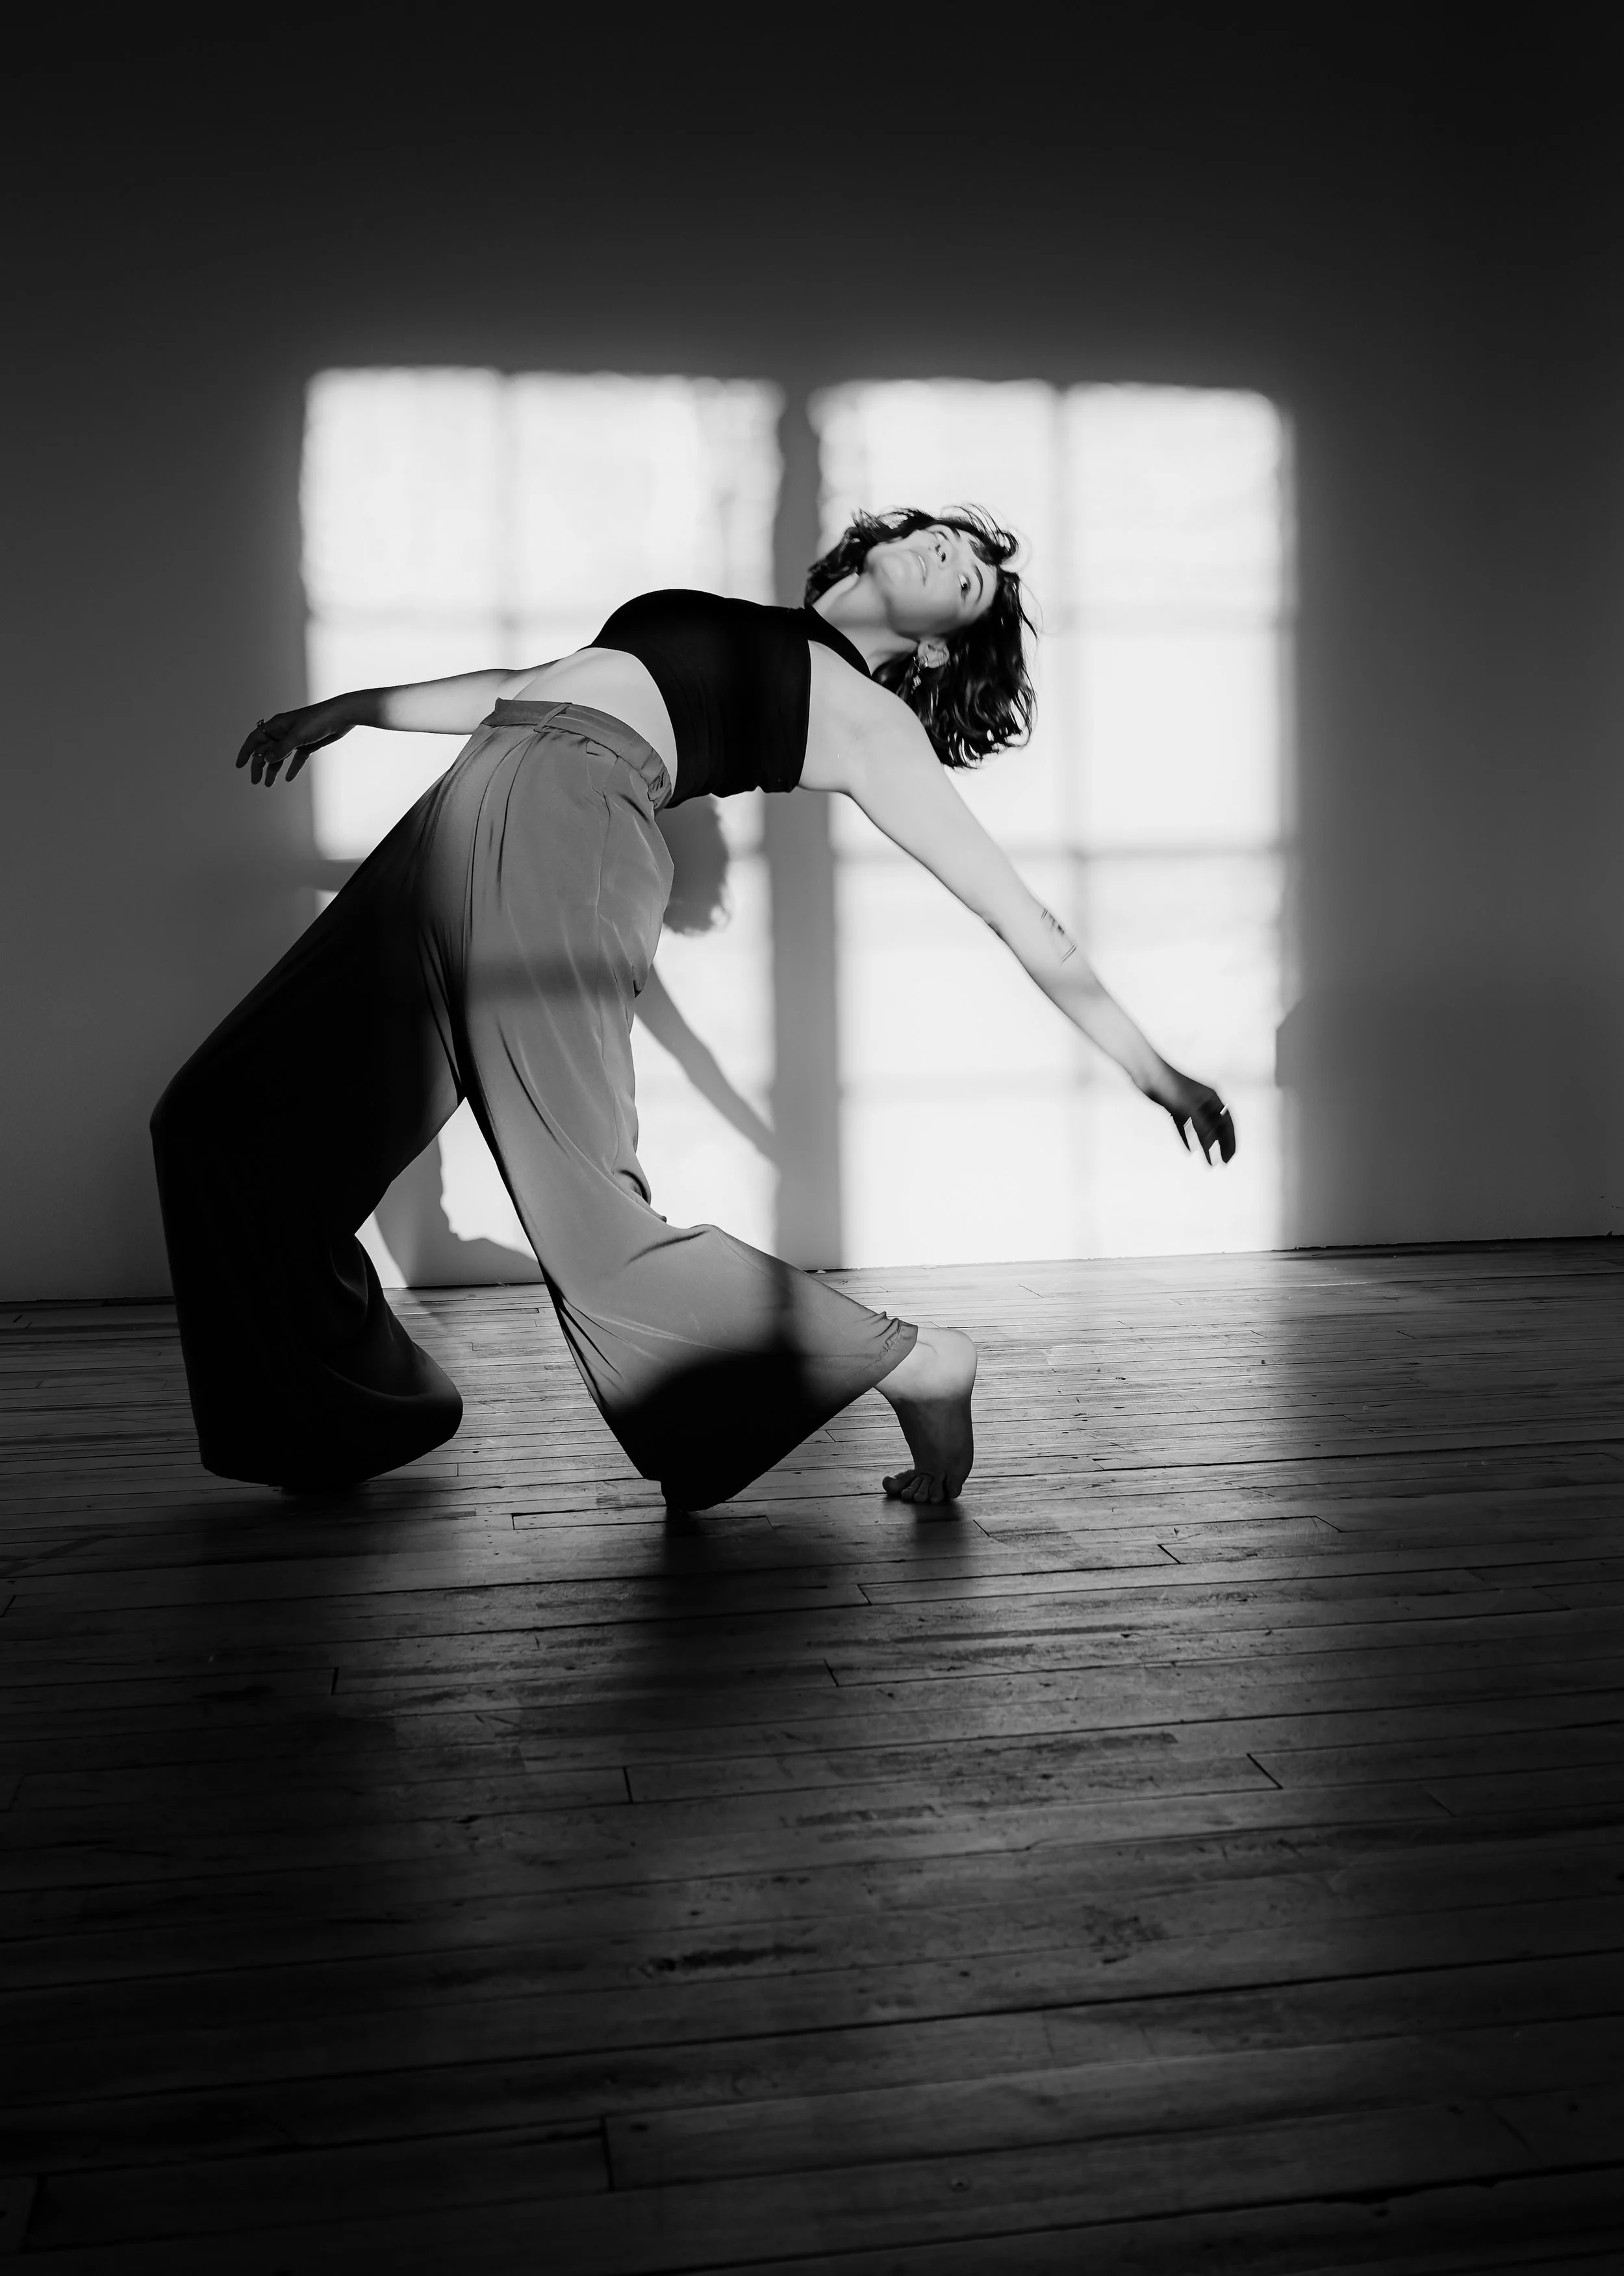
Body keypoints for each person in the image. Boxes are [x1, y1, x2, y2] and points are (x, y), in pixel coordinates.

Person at [151, 506, 1235, 1511]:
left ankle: (919, 1358)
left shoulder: (866, 719)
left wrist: (1159, 1071)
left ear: (943, 649)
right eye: (949, 537)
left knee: (588, 1220)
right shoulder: (725, 621)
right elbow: (527, 681)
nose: (953, 552)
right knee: (222, 1120)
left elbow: (1022, 916)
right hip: (471, 797)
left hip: (565, 827)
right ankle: (343, 1419)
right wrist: (355, 710)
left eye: (970, 578)